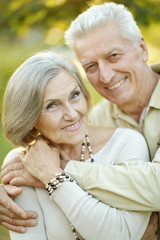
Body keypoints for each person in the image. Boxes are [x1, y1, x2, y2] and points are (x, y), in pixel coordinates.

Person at [0, 1, 159, 238]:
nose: (105, 75)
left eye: (113, 56)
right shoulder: (95, 119)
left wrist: (55, 171)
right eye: (91, 66)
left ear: (143, 49)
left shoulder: (119, 139)